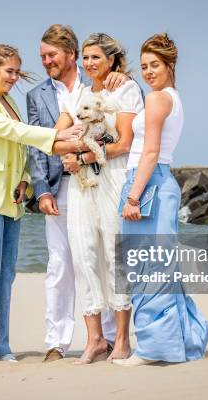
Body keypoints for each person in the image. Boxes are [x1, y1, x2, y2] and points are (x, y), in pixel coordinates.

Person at [0, 44, 80, 367]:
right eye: (9, 71)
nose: (14, 78)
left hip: (10, 199)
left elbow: (16, 148)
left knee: (5, 274)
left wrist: (25, 178)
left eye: (17, 72)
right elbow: (14, 132)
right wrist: (59, 138)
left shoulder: (7, 101)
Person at [27, 24, 129, 362]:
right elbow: (38, 147)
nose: (45, 61)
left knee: (104, 257)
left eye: (51, 55)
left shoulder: (96, 84)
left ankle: (113, 338)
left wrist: (115, 75)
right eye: (42, 56)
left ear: (70, 54)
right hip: (60, 187)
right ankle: (57, 341)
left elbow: (118, 121)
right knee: (61, 263)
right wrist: (41, 190)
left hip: (99, 179)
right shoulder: (36, 95)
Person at [115, 33, 208, 366]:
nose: (148, 71)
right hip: (161, 182)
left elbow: (150, 151)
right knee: (160, 266)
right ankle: (179, 341)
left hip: (148, 184)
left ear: (170, 65)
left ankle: (154, 349)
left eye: (154, 64)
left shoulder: (156, 100)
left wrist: (132, 197)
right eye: (143, 66)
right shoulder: (173, 97)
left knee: (146, 268)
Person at [58, 33, 144, 364]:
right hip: (81, 186)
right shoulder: (79, 92)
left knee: (114, 254)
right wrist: (69, 150)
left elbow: (122, 143)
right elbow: (58, 133)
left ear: (111, 60)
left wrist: (81, 155)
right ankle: (95, 339)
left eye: (96, 57)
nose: (89, 63)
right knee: (83, 254)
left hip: (112, 179)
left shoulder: (126, 89)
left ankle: (122, 339)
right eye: (86, 57)